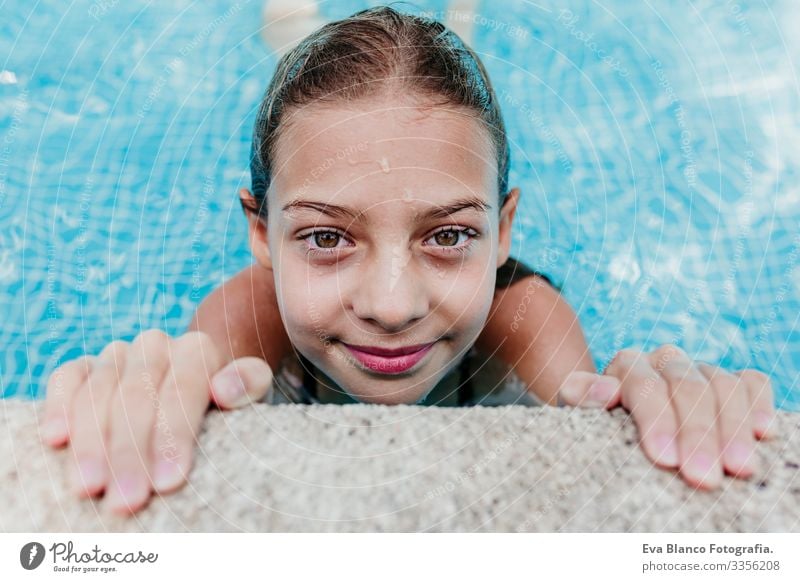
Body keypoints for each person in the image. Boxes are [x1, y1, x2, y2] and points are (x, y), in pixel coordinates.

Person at [40, 6, 776, 516]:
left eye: (450, 235)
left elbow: (589, 414)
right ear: (261, 235)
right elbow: (185, 388)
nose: (392, 307)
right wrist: (153, 387)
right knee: (297, 47)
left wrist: (659, 403)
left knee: (448, 65)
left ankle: (460, 27)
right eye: (326, 237)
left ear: (504, 230)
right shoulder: (249, 313)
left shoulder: (523, 317)